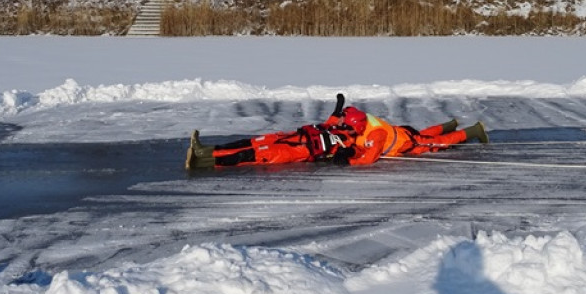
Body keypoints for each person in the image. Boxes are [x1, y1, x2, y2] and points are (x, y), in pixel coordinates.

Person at [186, 94, 358, 170]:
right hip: (289, 137)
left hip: (292, 151)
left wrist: (345, 154)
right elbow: (333, 119)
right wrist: (339, 105)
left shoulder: (349, 143)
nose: (341, 117)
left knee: (249, 155)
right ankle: (203, 150)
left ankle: (201, 163)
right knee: (248, 143)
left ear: (350, 123)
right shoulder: (336, 127)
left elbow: (346, 158)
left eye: (344, 116)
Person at [328, 104, 488, 166]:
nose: (346, 130)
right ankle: (449, 125)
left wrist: (349, 161)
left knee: (439, 143)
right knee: (425, 135)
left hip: (406, 143)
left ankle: (474, 130)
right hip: (402, 132)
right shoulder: (358, 118)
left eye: (348, 128)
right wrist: (351, 150)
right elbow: (348, 112)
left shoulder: (375, 134)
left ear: (357, 125)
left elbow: (369, 158)